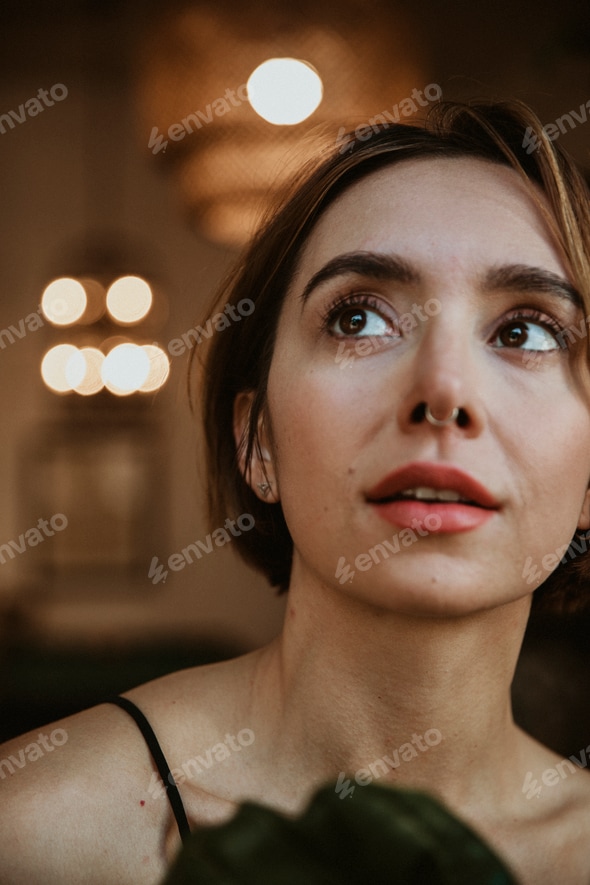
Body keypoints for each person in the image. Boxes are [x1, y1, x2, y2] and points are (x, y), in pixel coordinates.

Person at [1, 98, 590, 884]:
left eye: (525, 331)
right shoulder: (32, 833)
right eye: (359, 319)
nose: (444, 389)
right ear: (258, 441)